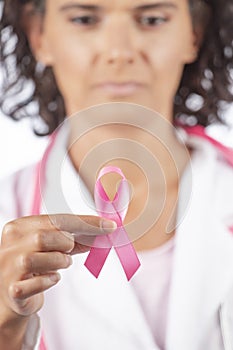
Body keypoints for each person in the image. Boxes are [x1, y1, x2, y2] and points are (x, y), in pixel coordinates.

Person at [0, 0, 233, 349]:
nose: (119, 51)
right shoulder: (8, 207)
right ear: (40, 36)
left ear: (193, 34)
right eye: (84, 19)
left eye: (152, 19)